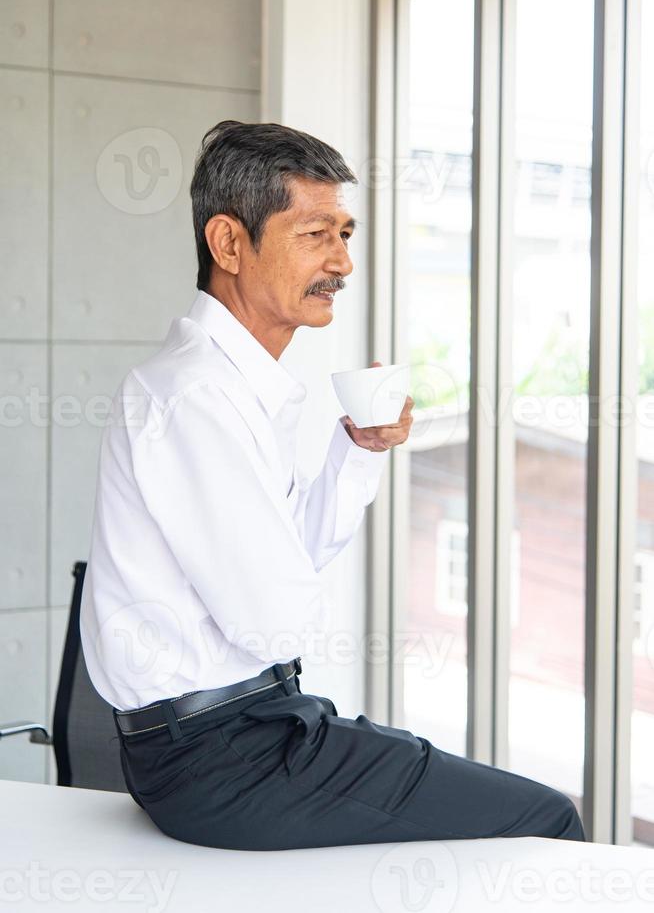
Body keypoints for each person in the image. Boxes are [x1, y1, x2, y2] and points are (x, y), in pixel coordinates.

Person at [80, 120, 585, 850]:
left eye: (345, 234)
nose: (343, 262)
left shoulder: (237, 387)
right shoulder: (195, 399)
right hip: (226, 758)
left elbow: (295, 558)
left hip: (255, 728)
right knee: (545, 821)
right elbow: (274, 621)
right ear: (229, 244)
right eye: (316, 234)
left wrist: (359, 448)